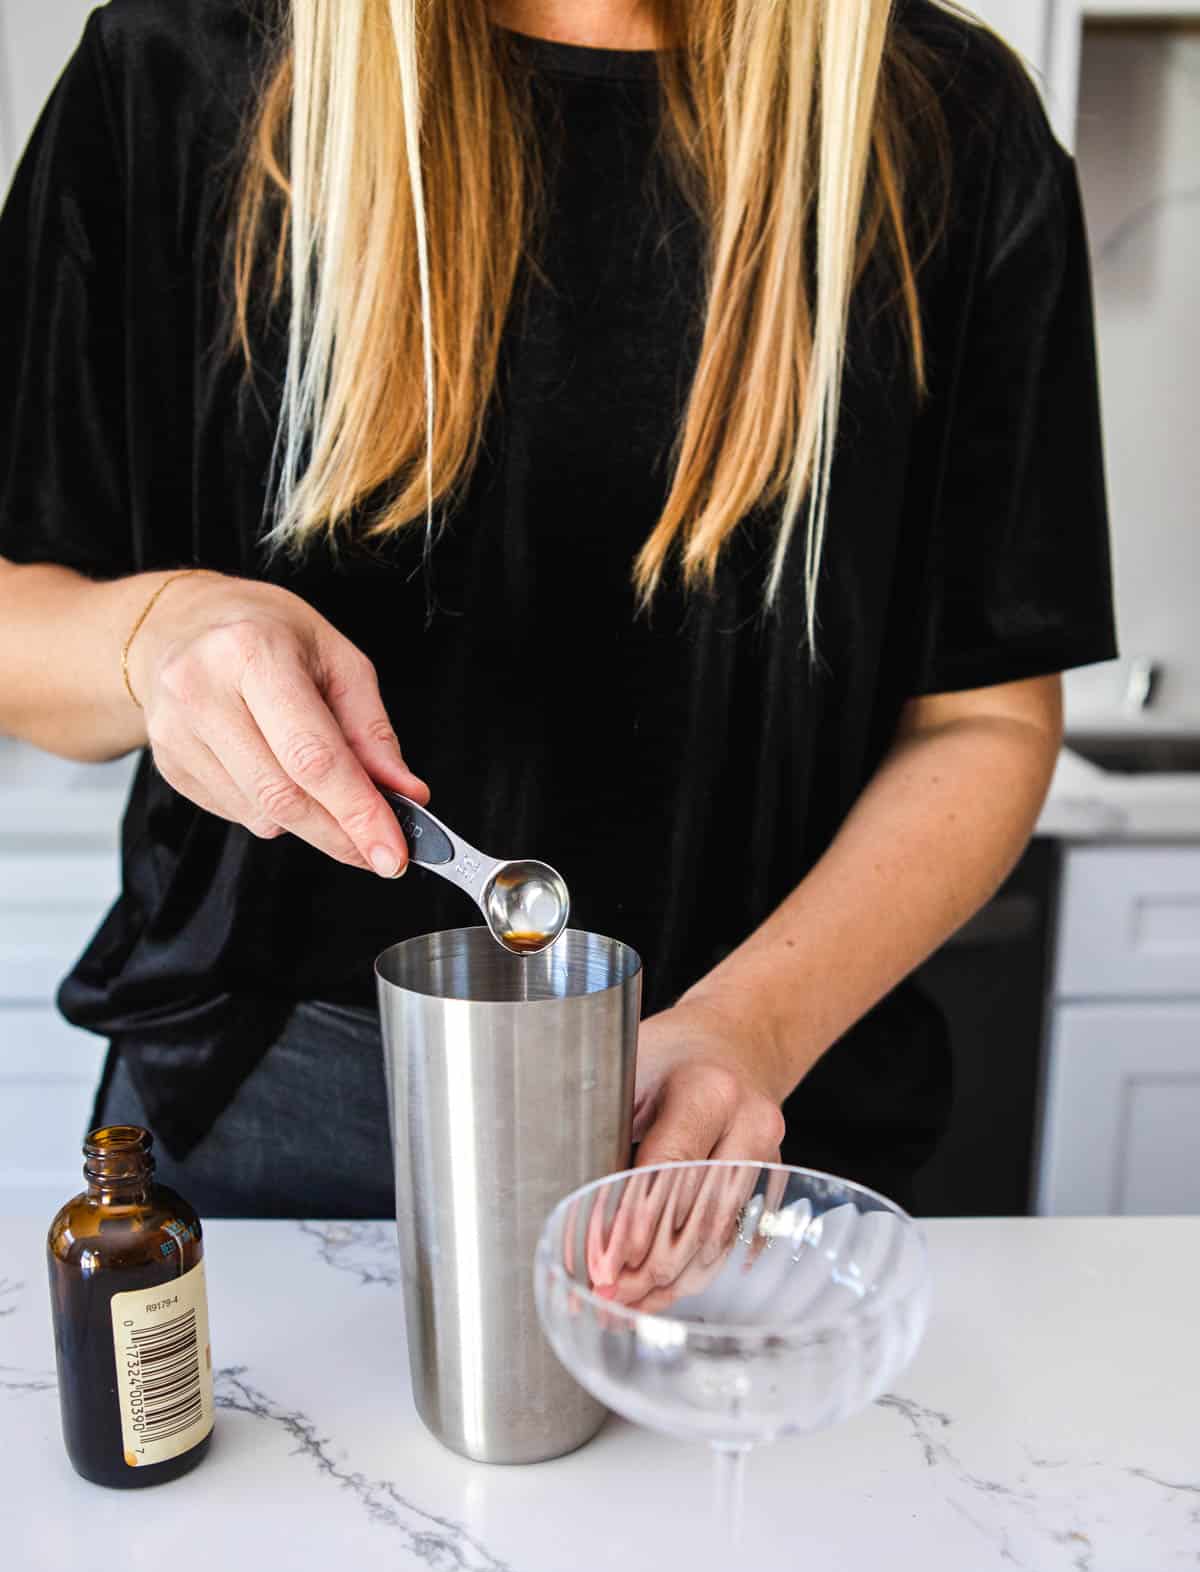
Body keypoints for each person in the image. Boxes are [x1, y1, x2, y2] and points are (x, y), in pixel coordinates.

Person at [0, 0, 1114, 1218]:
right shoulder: (172, 68)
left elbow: (986, 720)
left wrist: (751, 1028)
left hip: (758, 1119)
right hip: (272, 1099)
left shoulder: (954, 122)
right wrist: (156, 636)